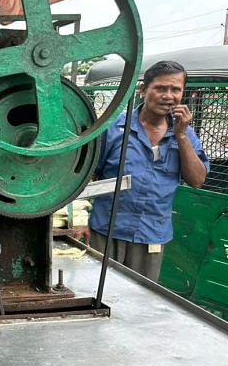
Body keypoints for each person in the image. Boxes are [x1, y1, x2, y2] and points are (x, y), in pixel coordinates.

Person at [80, 61, 210, 282]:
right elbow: (86, 176)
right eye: (160, 88)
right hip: (107, 230)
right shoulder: (113, 128)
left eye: (175, 89)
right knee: (98, 292)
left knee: (140, 302)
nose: (168, 96)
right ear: (144, 90)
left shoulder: (186, 134)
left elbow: (197, 180)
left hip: (151, 235)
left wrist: (181, 136)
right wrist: (80, 220)